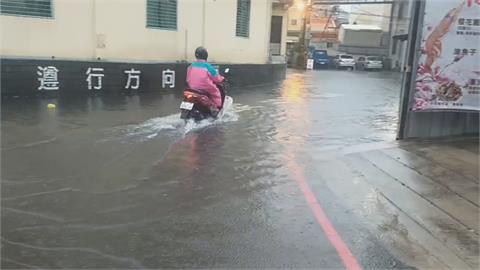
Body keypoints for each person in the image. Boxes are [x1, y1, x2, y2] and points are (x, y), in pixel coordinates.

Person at [186, 47, 224, 111]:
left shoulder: (191, 66)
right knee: (216, 91)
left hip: (192, 88)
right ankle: (217, 108)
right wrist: (222, 79)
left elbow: (187, 78)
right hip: (205, 87)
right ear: (206, 55)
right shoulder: (208, 66)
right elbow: (216, 78)